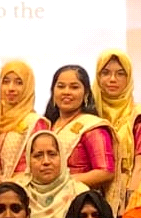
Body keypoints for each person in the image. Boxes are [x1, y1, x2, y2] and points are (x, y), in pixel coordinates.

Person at [43, 65, 119, 206]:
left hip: (82, 203)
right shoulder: (47, 125)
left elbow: (105, 171)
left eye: (74, 87)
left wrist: (63, 182)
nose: (66, 92)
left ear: (86, 94)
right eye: (61, 86)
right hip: (47, 200)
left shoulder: (92, 127)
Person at [95, 49, 141, 197]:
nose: (112, 79)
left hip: (127, 189)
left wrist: (129, 197)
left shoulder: (137, 115)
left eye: (120, 74)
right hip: (92, 191)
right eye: (105, 73)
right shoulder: (90, 113)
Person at [18, 130, 89, 218]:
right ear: (28, 160)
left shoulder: (79, 192)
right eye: (38, 155)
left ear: (62, 157)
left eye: (52, 154)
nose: (46, 161)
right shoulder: (20, 194)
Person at [0, 60, 43, 179]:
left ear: (28, 87)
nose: (11, 88)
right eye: (6, 82)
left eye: (19, 83)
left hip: (22, 185)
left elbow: (39, 165)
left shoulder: (35, 123)